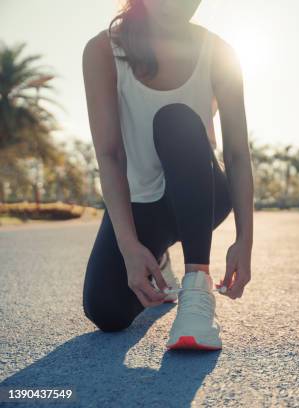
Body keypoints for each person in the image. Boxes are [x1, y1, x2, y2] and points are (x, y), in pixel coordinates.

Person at [81, 0, 254, 351]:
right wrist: (130, 247)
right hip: (140, 203)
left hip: (201, 194)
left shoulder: (219, 52)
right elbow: (110, 155)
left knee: (175, 120)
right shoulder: (103, 50)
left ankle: (196, 291)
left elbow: (236, 154)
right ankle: (158, 256)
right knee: (106, 311)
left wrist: (245, 239)